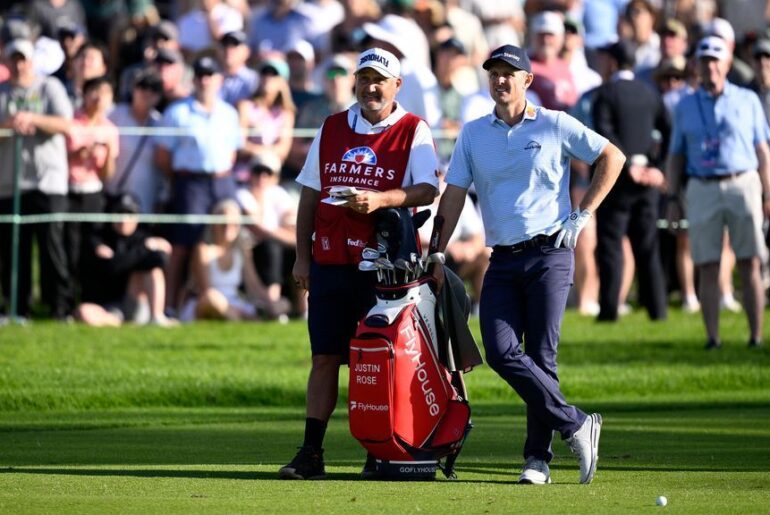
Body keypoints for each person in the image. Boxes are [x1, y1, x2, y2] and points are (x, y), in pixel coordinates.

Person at [431, 44, 625, 485]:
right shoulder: (473, 133)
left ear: (527, 81)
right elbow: (456, 193)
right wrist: (437, 249)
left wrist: (583, 213)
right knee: (500, 352)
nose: (500, 80)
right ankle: (576, 423)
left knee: (541, 354)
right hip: (501, 258)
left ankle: (537, 460)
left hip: (550, 253)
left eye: (509, 73)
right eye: (494, 73)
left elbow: (612, 157)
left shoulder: (554, 123)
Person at [279, 47, 439, 479]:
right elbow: (309, 195)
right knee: (324, 357)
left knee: (378, 359)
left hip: (385, 269)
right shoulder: (332, 126)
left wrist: (382, 199)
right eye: (365, 78)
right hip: (330, 259)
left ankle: (381, 449)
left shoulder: (412, 129)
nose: (371, 87)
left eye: (380, 80)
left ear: (396, 86)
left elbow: (428, 189)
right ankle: (312, 452)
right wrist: (301, 256)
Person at [666, 36, 770, 349]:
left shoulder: (747, 99)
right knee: (707, 263)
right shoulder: (685, 105)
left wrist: (767, 193)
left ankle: (755, 336)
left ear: (726, 64)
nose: (710, 66)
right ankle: (713, 338)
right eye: (705, 60)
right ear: (696, 66)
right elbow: (676, 156)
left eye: (716, 59)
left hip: (742, 182)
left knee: (750, 261)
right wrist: (673, 198)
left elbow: (762, 149)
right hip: (702, 185)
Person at [154, 55, 242, 315]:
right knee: (183, 244)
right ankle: (168, 306)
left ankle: (228, 299)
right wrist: (182, 180)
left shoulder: (229, 113)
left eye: (210, 74)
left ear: (219, 79)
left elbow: (233, 151)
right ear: (193, 79)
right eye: (200, 75)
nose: (205, 80)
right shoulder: (177, 112)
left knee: (230, 238)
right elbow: (162, 156)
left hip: (222, 180)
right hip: (190, 182)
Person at [592, 40, 669, 322]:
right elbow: (668, 128)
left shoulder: (607, 93)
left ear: (612, 63)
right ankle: (657, 310)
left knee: (611, 246)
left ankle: (609, 310)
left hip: (616, 182)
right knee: (648, 246)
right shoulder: (649, 93)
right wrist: (656, 166)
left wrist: (626, 166)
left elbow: (604, 133)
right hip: (647, 180)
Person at [0, 38, 73, 320]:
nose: (19, 65)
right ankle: (17, 307)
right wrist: (9, 124)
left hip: (48, 180)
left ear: (32, 60)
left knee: (52, 247)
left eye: (24, 59)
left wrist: (33, 119)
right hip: (9, 181)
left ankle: (60, 308)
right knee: (12, 250)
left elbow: (65, 123)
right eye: (14, 59)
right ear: (7, 62)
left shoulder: (49, 87)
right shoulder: (3, 92)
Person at [75, 193, 175, 327]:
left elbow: (160, 259)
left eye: (129, 214)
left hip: (135, 303)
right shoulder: (99, 238)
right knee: (83, 312)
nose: (123, 220)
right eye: (119, 213)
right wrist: (143, 250)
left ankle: (156, 317)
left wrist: (127, 257)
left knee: (151, 270)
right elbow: (112, 267)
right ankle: (116, 321)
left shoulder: (142, 236)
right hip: (107, 306)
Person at [180, 199, 278, 321]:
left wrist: (272, 303)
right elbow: (206, 290)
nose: (228, 228)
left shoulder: (242, 251)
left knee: (280, 304)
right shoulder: (203, 249)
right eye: (223, 223)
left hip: (235, 302)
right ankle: (239, 318)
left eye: (233, 224)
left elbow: (253, 285)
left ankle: (238, 317)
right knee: (212, 299)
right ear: (214, 225)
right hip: (207, 302)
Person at [65, 75, 119, 292]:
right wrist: (79, 153)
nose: (98, 98)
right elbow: (59, 159)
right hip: (69, 190)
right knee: (69, 246)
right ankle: (66, 299)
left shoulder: (110, 129)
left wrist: (105, 155)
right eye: (94, 92)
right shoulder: (71, 122)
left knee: (92, 245)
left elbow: (108, 174)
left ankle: (90, 295)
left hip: (93, 193)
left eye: (104, 93)